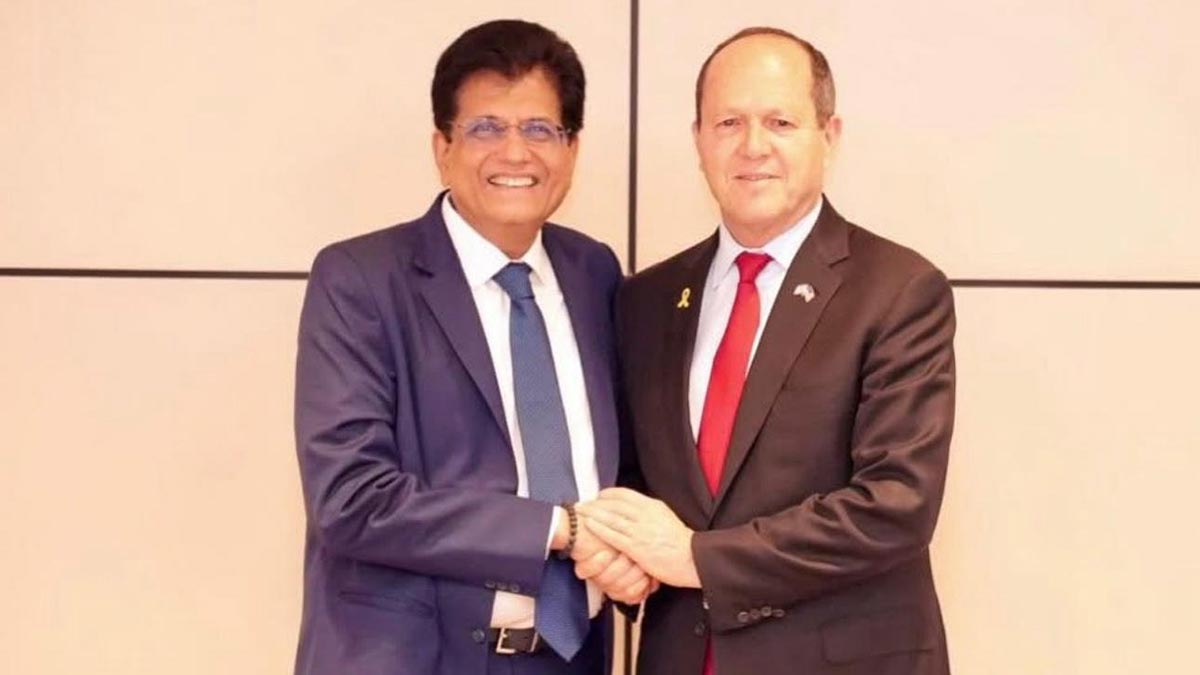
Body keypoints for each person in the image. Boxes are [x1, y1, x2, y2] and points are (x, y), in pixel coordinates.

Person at [578, 27, 956, 674]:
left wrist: (698, 558)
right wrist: (618, 552)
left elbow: (896, 504)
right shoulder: (646, 299)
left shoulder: (897, 290)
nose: (753, 146)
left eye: (780, 122)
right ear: (699, 140)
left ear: (828, 136)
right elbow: (635, 480)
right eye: (728, 123)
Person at [292, 19, 650, 675]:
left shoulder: (594, 272)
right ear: (443, 147)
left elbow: (620, 459)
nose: (515, 153)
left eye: (539, 129)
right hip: (411, 660)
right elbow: (352, 498)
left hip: (572, 658)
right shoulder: (361, 279)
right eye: (486, 128)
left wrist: (631, 550)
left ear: (571, 149)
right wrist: (560, 528)